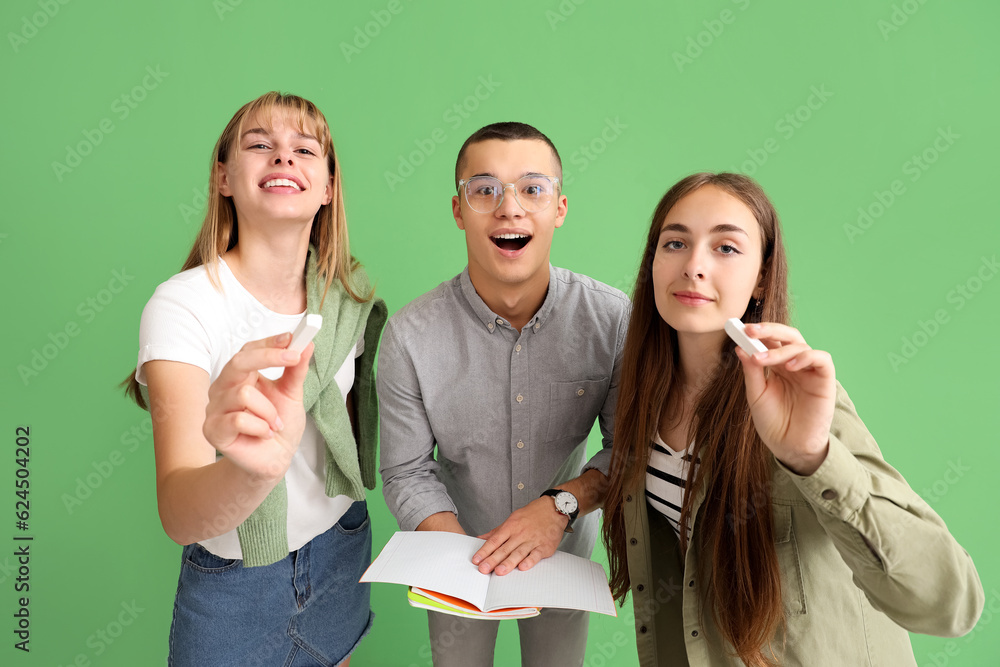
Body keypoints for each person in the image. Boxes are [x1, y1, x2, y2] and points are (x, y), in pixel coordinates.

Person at [600, 172, 985, 666]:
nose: (694, 266)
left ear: (761, 276)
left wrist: (811, 457)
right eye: (675, 242)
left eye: (726, 248)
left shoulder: (798, 396)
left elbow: (952, 606)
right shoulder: (643, 394)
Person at [124, 91, 386, 667]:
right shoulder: (183, 307)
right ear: (224, 177)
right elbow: (178, 511)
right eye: (260, 145)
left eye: (304, 149)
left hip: (342, 548)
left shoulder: (350, 299)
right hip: (233, 585)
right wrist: (251, 471)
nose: (284, 158)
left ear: (328, 187)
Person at [377, 122, 630, 666]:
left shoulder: (611, 320)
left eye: (532, 188)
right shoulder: (408, 335)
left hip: (564, 551)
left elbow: (628, 447)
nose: (509, 207)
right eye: (485, 188)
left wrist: (561, 507)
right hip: (453, 553)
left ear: (559, 207)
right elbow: (405, 470)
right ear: (458, 209)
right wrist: (465, 554)